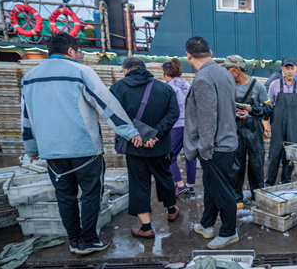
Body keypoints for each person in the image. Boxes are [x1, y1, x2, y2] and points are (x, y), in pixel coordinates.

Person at [21, 33, 142, 255]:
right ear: (70, 51)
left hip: (51, 151)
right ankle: (88, 240)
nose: (80, 56)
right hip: (84, 148)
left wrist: (32, 149)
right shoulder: (81, 72)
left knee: (65, 196)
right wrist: (129, 132)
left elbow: (26, 117)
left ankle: (74, 240)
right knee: (90, 194)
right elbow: (106, 104)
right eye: (80, 52)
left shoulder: (29, 77)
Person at [110, 58, 181, 239]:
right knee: (164, 177)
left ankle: (146, 227)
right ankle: (172, 210)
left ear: (125, 70)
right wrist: (156, 134)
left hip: (134, 147)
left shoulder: (117, 88)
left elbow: (114, 117)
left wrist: (134, 135)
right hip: (160, 144)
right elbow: (174, 113)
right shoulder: (165, 88)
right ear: (144, 69)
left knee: (139, 184)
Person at [183, 37, 240, 248]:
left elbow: (207, 117)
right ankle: (206, 225)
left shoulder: (203, 78)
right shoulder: (224, 73)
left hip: (215, 146)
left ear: (188, 55)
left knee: (222, 190)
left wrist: (205, 148)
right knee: (212, 187)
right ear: (210, 51)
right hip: (226, 141)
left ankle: (229, 231)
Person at [222, 55, 272, 202]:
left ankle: (258, 197)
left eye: (228, 69)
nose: (226, 73)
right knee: (236, 165)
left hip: (254, 130)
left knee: (256, 165)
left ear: (237, 70)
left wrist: (251, 110)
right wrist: (235, 113)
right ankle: (237, 198)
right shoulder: (228, 85)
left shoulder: (258, 86)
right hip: (235, 130)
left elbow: (269, 108)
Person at [264, 57, 297, 186]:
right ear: (282, 69)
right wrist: (265, 121)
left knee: (290, 154)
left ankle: (286, 181)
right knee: (274, 153)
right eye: (287, 68)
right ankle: (269, 182)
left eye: (292, 68)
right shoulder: (274, 85)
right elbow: (268, 106)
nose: (290, 71)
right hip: (278, 125)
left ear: (296, 69)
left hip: (294, 126)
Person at [162, 58, 196, 195]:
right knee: (190, 155)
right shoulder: (187, 85)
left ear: (165, 74)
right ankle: (190, 185)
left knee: (169, 155)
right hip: (191, 124)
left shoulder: (168, 88)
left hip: (177, 125)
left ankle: (179, 184)